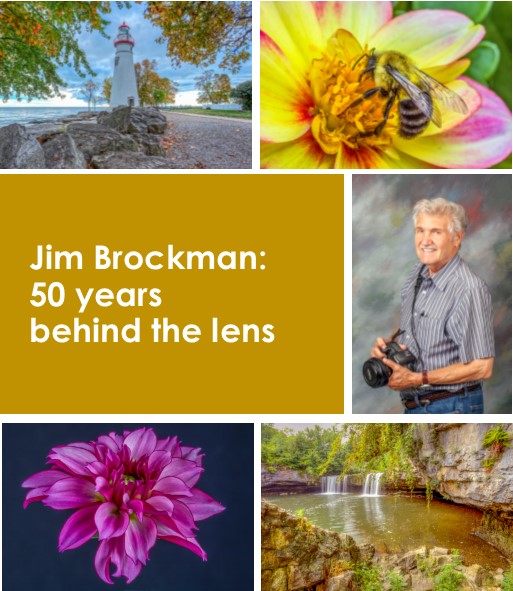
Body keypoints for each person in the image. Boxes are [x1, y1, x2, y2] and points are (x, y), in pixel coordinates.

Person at [370, 197, 495, 414]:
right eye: (420, 231)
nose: (425, 240)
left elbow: (482, 367)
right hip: (415, 406)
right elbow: (414, 328)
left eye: (436, 232)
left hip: (452, 405)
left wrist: (417, 378)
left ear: (456, 238)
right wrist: (388, 346)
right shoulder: (417, 275)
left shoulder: (469, 289)